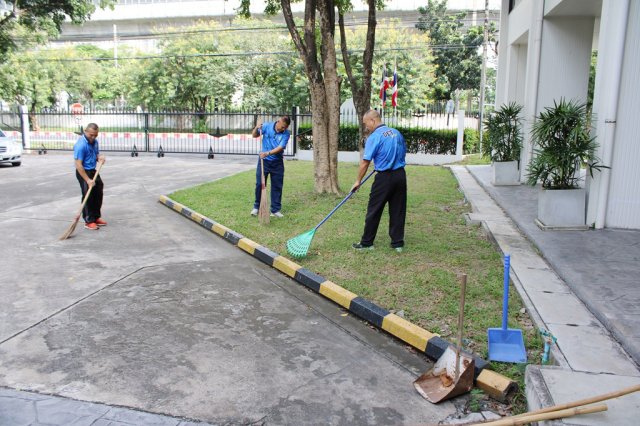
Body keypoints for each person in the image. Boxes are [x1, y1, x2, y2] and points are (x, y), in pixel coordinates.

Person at [351, 110, 407, 252]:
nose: (366, 127)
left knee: (374, 209)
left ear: (373, 121)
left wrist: (358, 181)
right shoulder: (396, 133)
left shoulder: (374, 137)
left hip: (384, 178)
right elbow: (403, 152)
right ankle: (397, 243)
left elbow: (365, 162)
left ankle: (367, 243)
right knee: (398, 209)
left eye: (366, 124)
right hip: (400, 176)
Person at [250, 116, 291, 218]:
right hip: (264, 162)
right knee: (260, 184)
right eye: (282, 127)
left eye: (285, 127)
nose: (283, 129)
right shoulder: (267, 126)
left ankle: (275, 210)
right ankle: (256, 207)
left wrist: (267, 153)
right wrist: (256, 127)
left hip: (277, 163)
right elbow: (254, 135)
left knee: (277, 186)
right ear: (278, 122)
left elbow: (280, 147)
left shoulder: (286, 134)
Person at [73, 123, 106, 230]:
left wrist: (99, 158)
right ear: (86, 132)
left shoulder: (95, 142)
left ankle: (96, 217)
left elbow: (95, 155)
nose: (93, 137)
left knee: (98, 191)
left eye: (95, 135)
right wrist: (87, 180)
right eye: (91, 135)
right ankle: (89, 220)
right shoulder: (81, 145)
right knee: (88, 194)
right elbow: (78, 165)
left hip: (92, 170)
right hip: (83, 172)